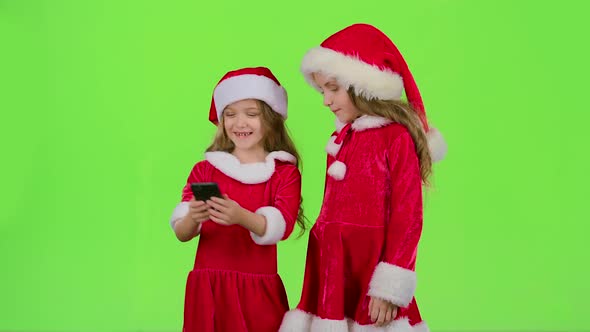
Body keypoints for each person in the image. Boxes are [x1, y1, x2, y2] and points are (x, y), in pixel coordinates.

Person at [280, 23, 447, 332]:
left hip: (370, 267)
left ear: (363, 84)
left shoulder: (394, 138)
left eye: (333, 88)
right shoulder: (341, 138)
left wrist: (389, 286)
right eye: (322, 91)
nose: (326, 100)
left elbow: (408, 216)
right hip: (331, 263)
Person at [169, 66, 306, 332]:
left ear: (271, 118)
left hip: (257, 291)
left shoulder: (283, 173)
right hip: (208, 290)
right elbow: (182, 233)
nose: (239, 123)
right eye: (230, 114)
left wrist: (240, 216)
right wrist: (192, 217)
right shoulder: (206, 169)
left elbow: (283, 226)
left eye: (251, 114)